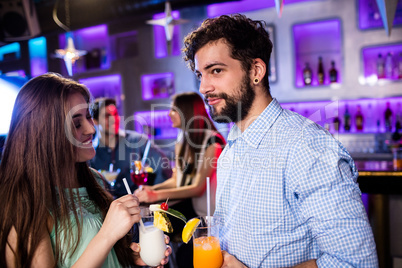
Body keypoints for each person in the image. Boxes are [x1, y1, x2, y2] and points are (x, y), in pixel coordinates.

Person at [182, 14, 378, 267]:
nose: (203, 87)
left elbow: (355, 263)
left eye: (216, 71)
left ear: (256, 71)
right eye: (200, 75)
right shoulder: (232, 147)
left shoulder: (306, 146)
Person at [0, 73, 171, 267]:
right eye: (76, 124)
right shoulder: (26, 203)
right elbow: (102, 240)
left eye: (89, 117)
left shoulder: (95, 180)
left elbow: (100, 256)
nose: (91, 129)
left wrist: (132, 257)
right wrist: (108, 234)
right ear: (45, 133)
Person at [135, 92, 226, 267]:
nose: (169, 114)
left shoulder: (213, 142)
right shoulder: (182, 140)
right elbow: (177, 181)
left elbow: (197, 188)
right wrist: (151, 191)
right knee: (149, 218)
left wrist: (154, 195)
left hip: (206, 214)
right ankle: (156, 259)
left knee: (159, 224)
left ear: (186, 112)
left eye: (173, 109)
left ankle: (159, 259)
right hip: (190, 205)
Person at [90, 97, 172, 198]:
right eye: (107, 116)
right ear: (95, 121)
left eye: (115, 114)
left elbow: (164, 170)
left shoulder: (138, 141)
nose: (113, 119)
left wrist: (152, 193)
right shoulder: (89, 153)